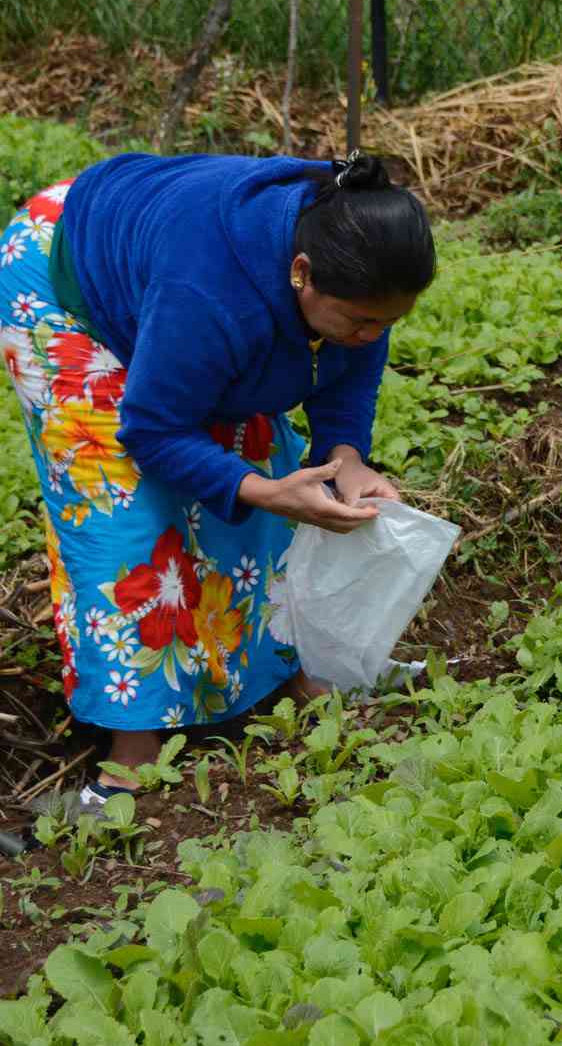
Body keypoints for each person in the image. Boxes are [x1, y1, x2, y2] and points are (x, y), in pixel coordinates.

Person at [0, 150, 435, 807]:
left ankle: (283, 673)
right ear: (300, 274)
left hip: (163, 263)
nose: (372, 336)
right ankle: (131, 752)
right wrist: (264, 492)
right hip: (66, 284)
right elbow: (149, 428)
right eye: (362, 321)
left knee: (259, 454)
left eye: (387, 323)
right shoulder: (210, 293)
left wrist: (347, 456)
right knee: (123, 508)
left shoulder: (351, 259)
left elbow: (352, 362)